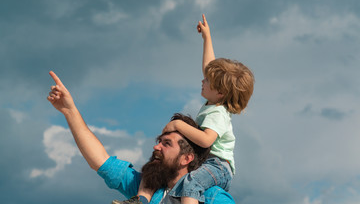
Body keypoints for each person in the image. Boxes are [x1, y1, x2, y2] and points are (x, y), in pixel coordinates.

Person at [47, 71, 235, 204]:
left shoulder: (212, 197)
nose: (156, 147)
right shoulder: (144, 190)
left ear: (187, 158)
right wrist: (69, 111)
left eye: (167, 144)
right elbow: (100, 161)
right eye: (159, 142)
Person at [125, 14, 255, 204]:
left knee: (191, 183)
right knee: (160, 170)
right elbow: (208, 66)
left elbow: (205, 140)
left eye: (207, 81)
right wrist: (207, 38)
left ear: (220, 92)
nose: (202, 80)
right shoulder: (214, 102)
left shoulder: (218, 113)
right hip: (206, 161)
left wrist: (177, 124)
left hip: (218, 166)